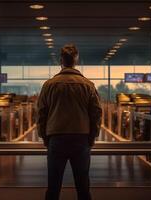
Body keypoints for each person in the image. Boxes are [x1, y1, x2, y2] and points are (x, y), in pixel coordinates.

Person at [37, 44, 102, 200]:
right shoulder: (88, 85)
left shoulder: (49, 85)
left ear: (61, 60)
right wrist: (92, 136)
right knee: (83, 187)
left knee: (53, 187)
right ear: (76, 60)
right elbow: (96, 113)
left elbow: (41, 113)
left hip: (56, 138)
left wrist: (44, 137)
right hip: (81, 138)